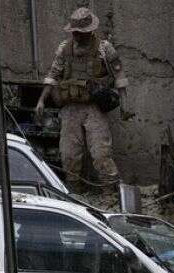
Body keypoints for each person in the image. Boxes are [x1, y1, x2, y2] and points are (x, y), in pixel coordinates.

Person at [35, 7, 130, 192]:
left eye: (81, 32)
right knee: (69, 155)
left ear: (90, 31)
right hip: (70, 107)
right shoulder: (65, 49)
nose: (77, 36)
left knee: (101, 153)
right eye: (75, 32)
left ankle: (110, 193)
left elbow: (120, 77)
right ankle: (76, 195)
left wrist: (124, 105)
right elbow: (53, 75)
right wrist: (41, 100)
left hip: (94, 107)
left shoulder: (104, 48)